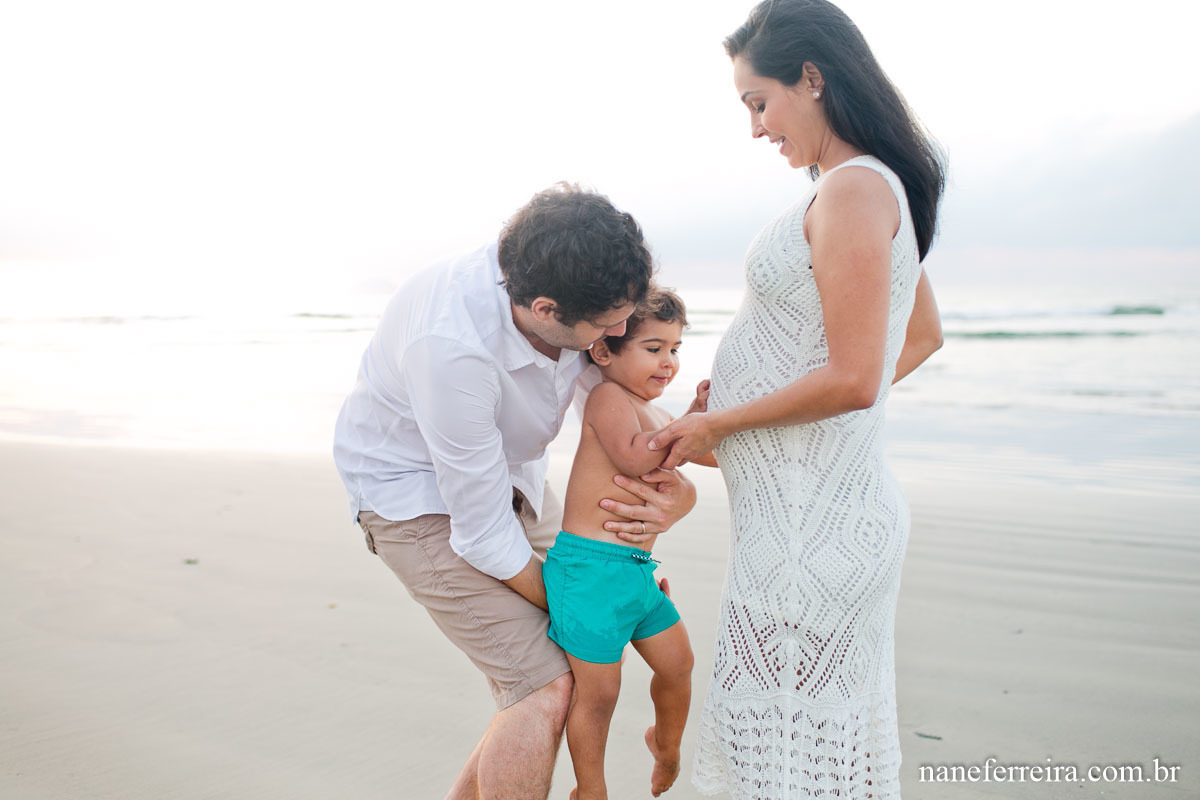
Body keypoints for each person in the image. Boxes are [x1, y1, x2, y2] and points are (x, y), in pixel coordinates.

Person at [646, 2, 946, 797]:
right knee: (796, 754)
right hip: (805, 521)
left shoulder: (852, 190)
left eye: (758, 102)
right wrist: (756, 425)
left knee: (778, 762)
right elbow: (913, 341)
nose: (755, 128)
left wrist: (726, 419)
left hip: (815, 537)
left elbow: (855, 378)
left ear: (811, 78)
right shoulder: (864, 185)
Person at [332, 183, 698, 800]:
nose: (618, 333)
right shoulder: (450, 348)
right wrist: (584, 603)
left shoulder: (570, 279)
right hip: (413, 499)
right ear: (545, 308)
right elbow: (481, 534)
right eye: (606, 327)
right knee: (545, 682)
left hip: (512, 479)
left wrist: (679, 498)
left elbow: (630, 413)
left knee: (574, 661)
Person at [544, 288, 716, 799]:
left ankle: (664, 743)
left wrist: (700, 419)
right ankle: (590, 789)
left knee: (679, 664)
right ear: (604, 351)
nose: (669, 362)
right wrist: (692, 428)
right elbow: (637, 457)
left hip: (636, 575)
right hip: (590, 573)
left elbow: (704, 456)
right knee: (599, 694)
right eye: (653, 347)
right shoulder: (608, 398)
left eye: (676, 349)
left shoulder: (655, 412)